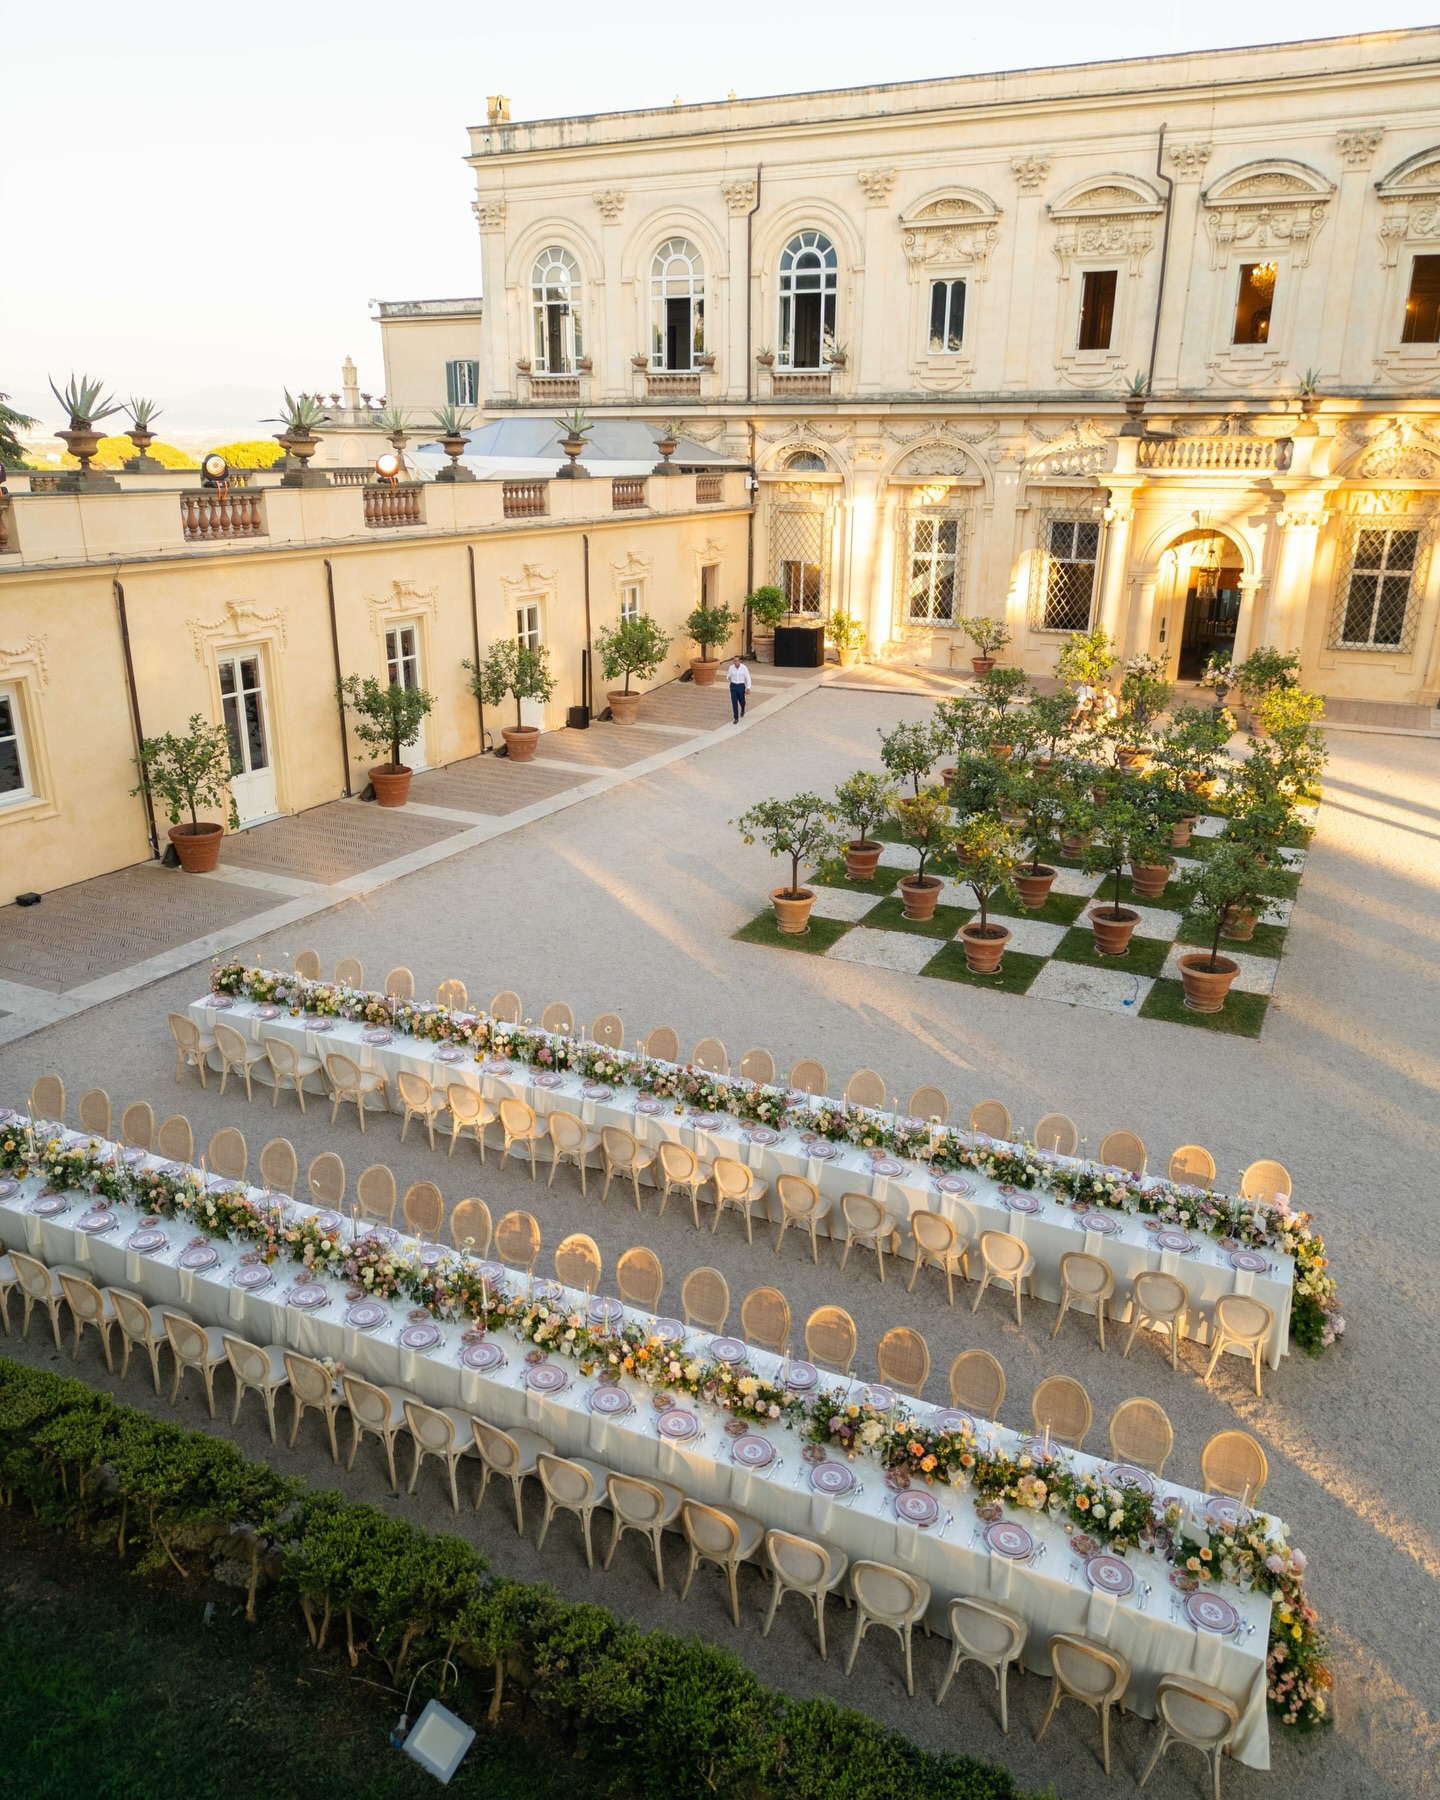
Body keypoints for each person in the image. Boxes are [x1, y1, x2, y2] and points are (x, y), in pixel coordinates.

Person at [726, 653, 752, 723]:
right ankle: (736, 718)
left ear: (740, 661)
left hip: (741, 686)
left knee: (742, 701)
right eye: (734, 661)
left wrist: (748, 687)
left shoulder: (744, 668)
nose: (735, 662)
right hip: (733, 686)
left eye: (737, 661)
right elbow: (728, 675)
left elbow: (748, 678)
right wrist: (729, 677)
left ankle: (743, 708)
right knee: (734, 702)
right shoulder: (731, 668)